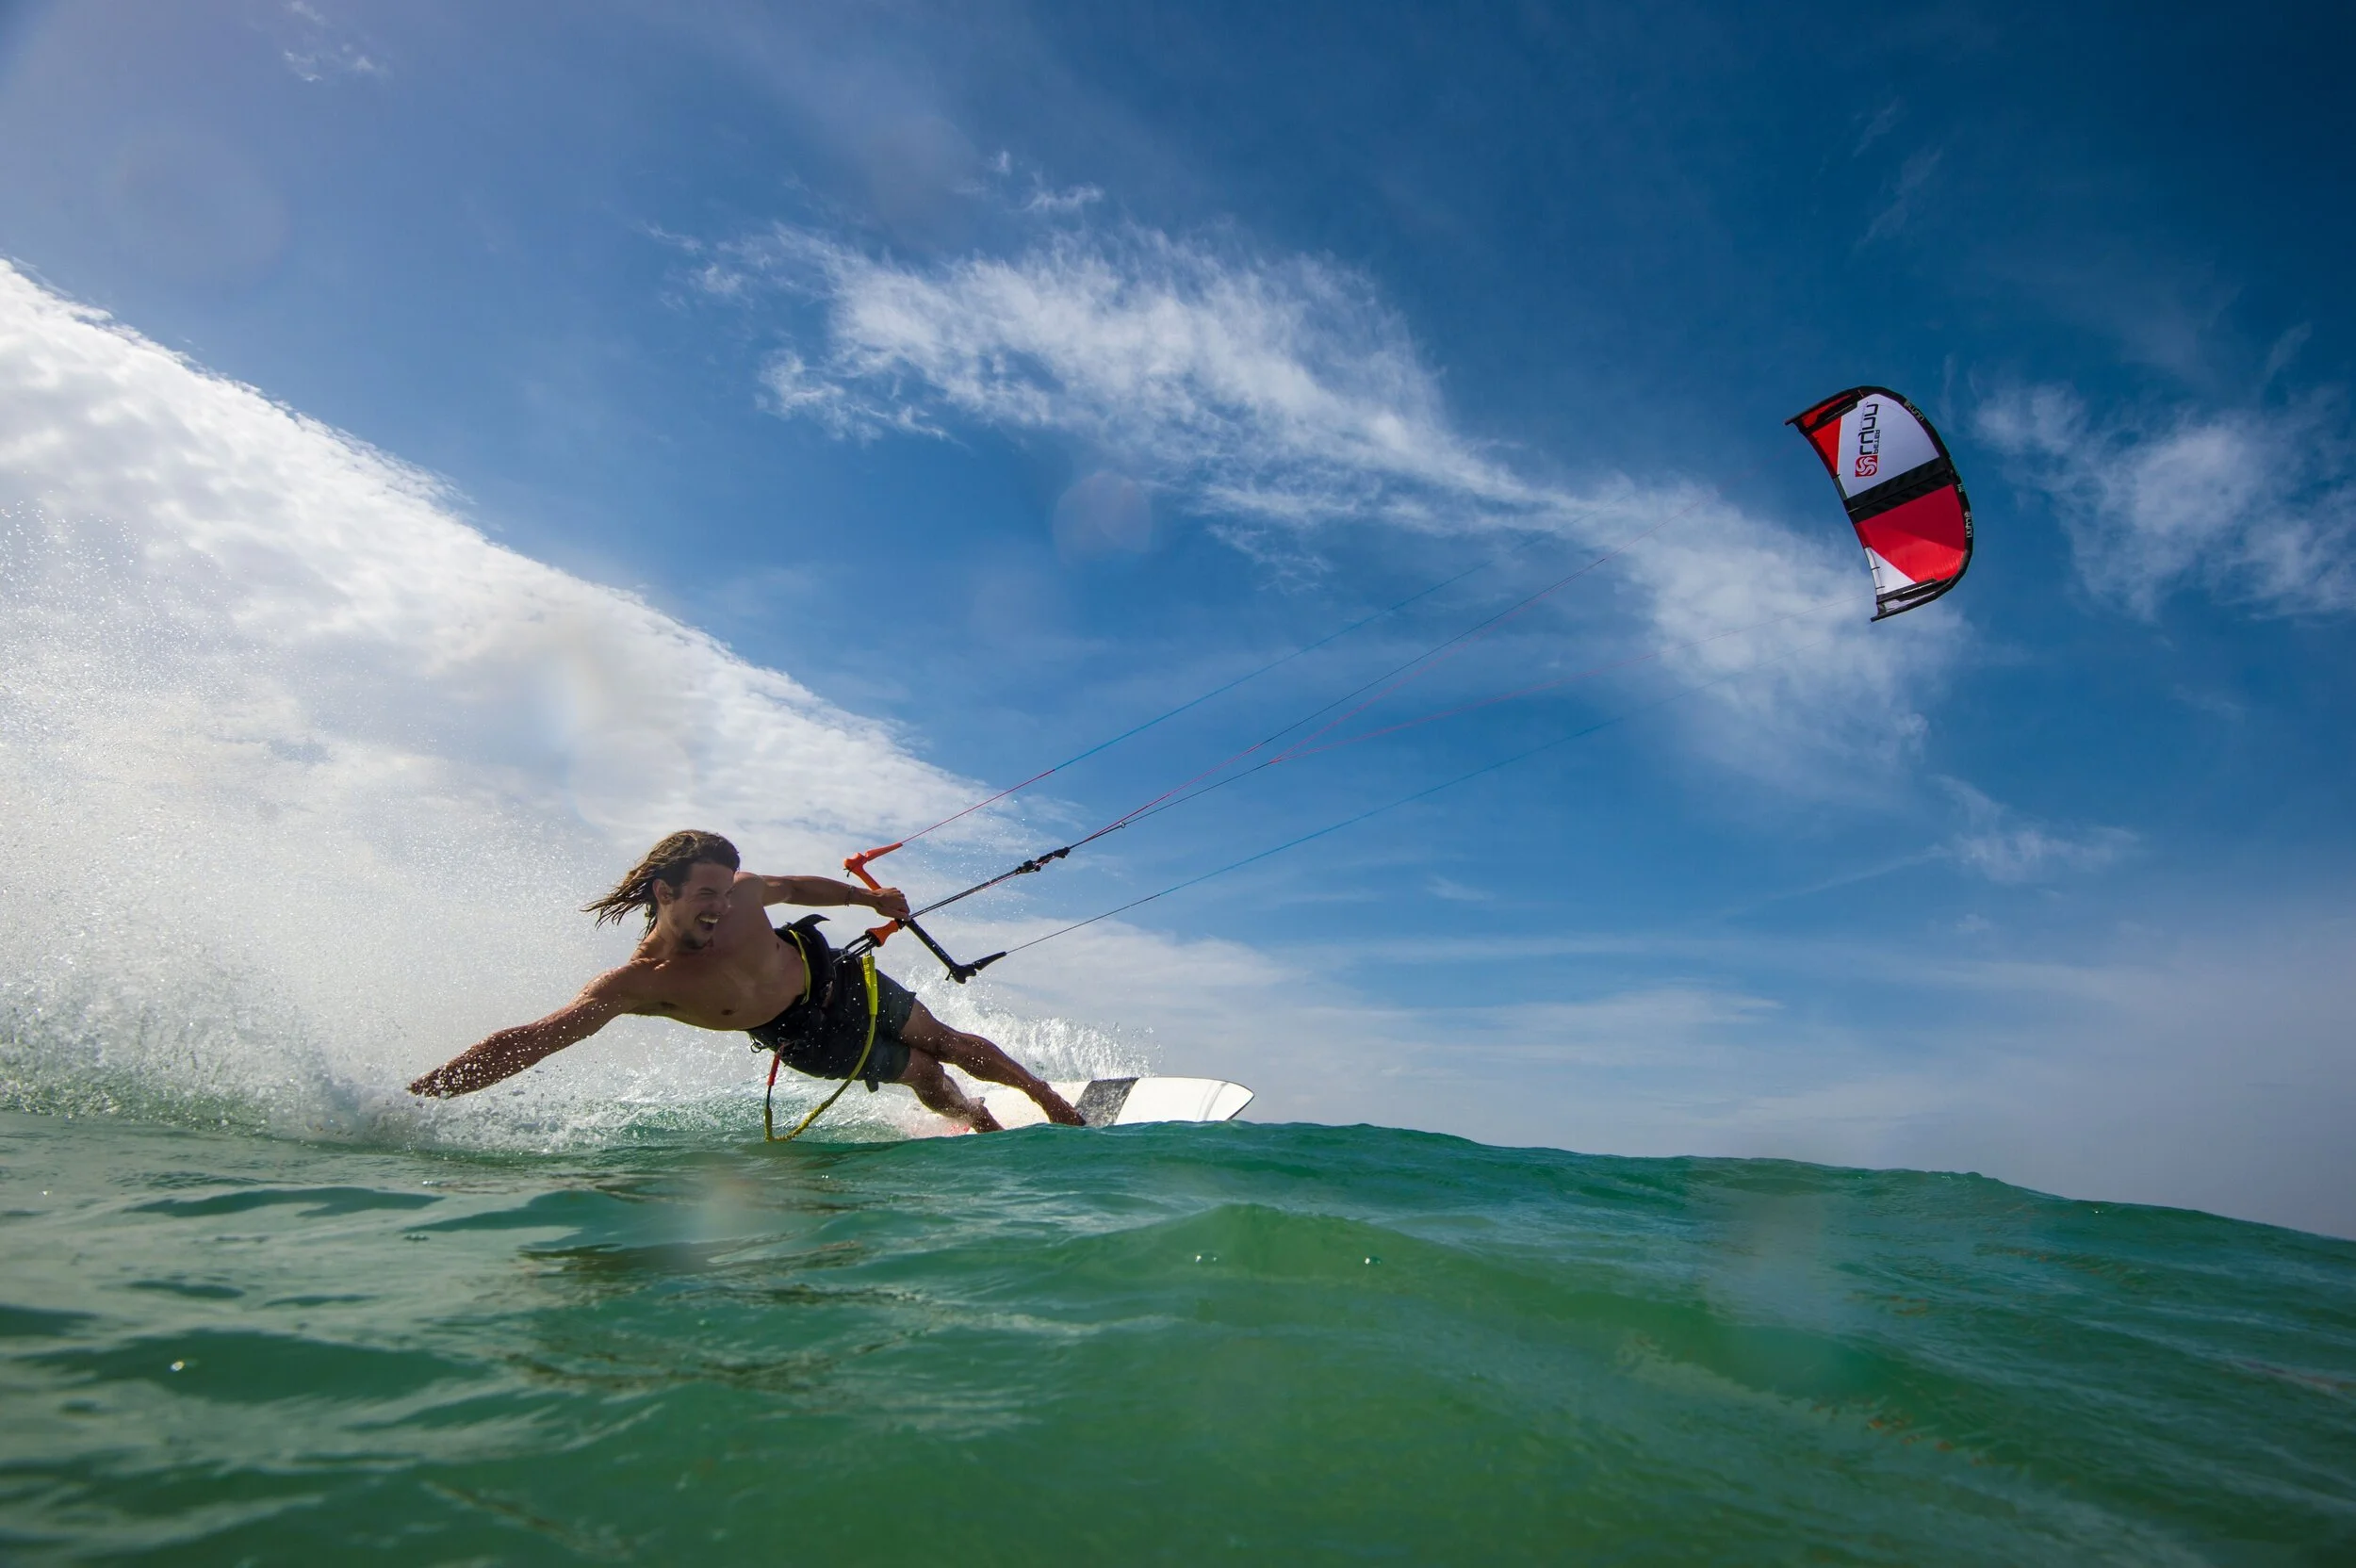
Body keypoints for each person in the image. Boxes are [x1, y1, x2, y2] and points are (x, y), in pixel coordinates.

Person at [407, 830, 1084, 1132]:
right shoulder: (640, 983)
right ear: (663, 892)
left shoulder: (743, 892)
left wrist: (869, 901)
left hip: (839, 981)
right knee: (928, 1078)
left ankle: (1048, 1099)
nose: (721, 907)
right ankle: (982, 1125)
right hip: (809, 1039)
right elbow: (538, 1037)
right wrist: (432, 1093)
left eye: (726, 893)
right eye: (705, 896)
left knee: (952, 1042)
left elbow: (794, 885)